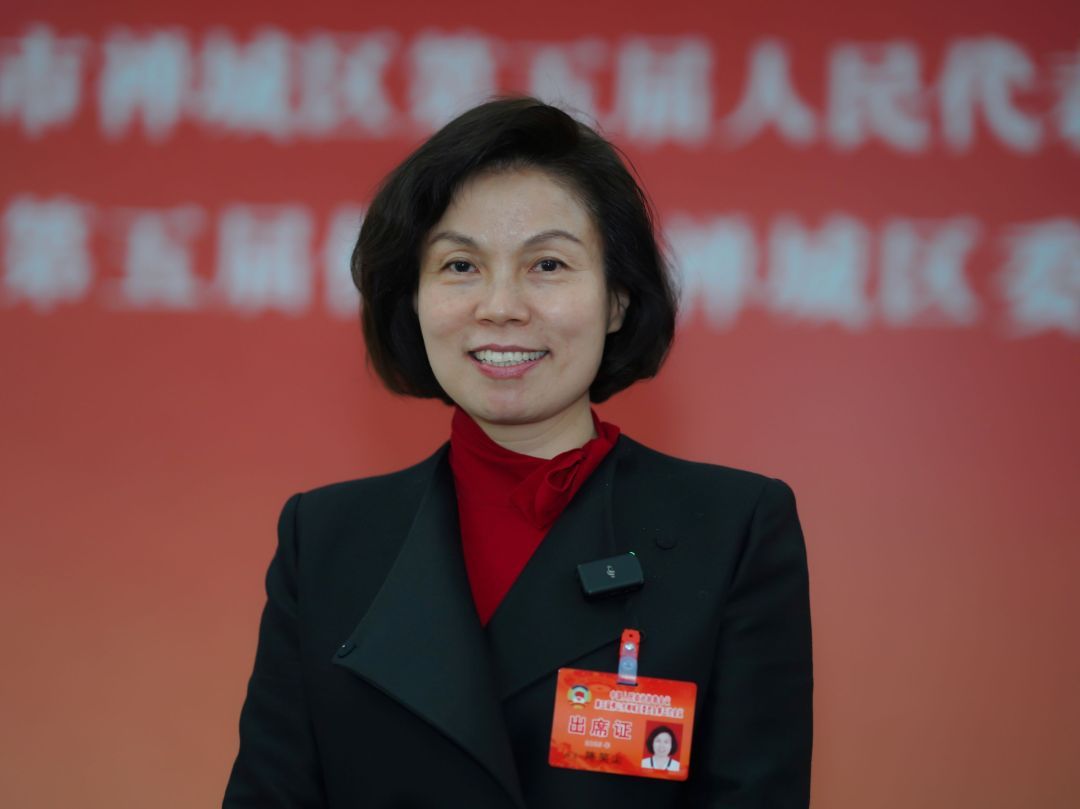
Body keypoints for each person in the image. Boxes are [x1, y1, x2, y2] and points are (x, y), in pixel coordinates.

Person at [224, 97, 812, 808]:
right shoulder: (324, 540)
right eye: (461, 265)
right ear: (413, 299)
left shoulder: (732, 529)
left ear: (618, 299)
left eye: (548, 264)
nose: (500, 305)